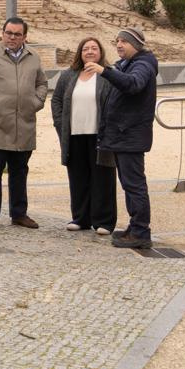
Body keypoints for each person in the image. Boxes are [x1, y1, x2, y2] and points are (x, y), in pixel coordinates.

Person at [0, 17, 48, 228]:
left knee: (20, 171)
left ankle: (19, 214)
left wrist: (37, 101)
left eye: (17, 34)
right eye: (9, 33)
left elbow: (42, 83)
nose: (12, 37)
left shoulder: (33, 57)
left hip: (23, 126)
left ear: (24, 37)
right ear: (2, 33)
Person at [90, 27, 159, 249]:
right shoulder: (127, 63)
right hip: (122, 136)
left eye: (124, 42)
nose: (119, 45)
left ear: (136, 45)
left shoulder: (143, 64)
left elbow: (132, 85)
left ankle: (141, 232)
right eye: (117, 41)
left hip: (130, 136)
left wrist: (105, 71)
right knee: (130, 185)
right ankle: (135, 227)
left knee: (135, 185)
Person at [51, 36, 117, 236]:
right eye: (85, 48)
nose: (89, 51)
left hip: (100, 135)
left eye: (94, 48)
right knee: (78, 177)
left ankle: (104, 221)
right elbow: (56, 101)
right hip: (74, 135)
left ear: (100, 53)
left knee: (103, 178)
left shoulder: (108, 75)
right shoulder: (68, 75)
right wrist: (61, 124)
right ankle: (81, 218)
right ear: (80, 53)